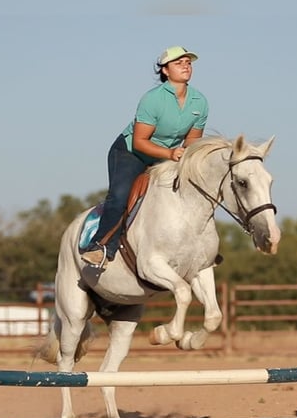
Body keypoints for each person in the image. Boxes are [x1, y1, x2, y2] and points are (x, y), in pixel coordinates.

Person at [80, 45, 209, 269]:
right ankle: (99, 247)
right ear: (165, 71)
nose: (186, 66)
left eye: (188, 63)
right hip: (131, 152)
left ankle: (200, 249)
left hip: (168, 156)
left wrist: (189, 158)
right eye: (179, 63)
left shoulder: (200, 102)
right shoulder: (152, 99)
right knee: (121, 197)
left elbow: (192, 142)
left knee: (193, 190)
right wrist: (170, 153)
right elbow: (140, 141)